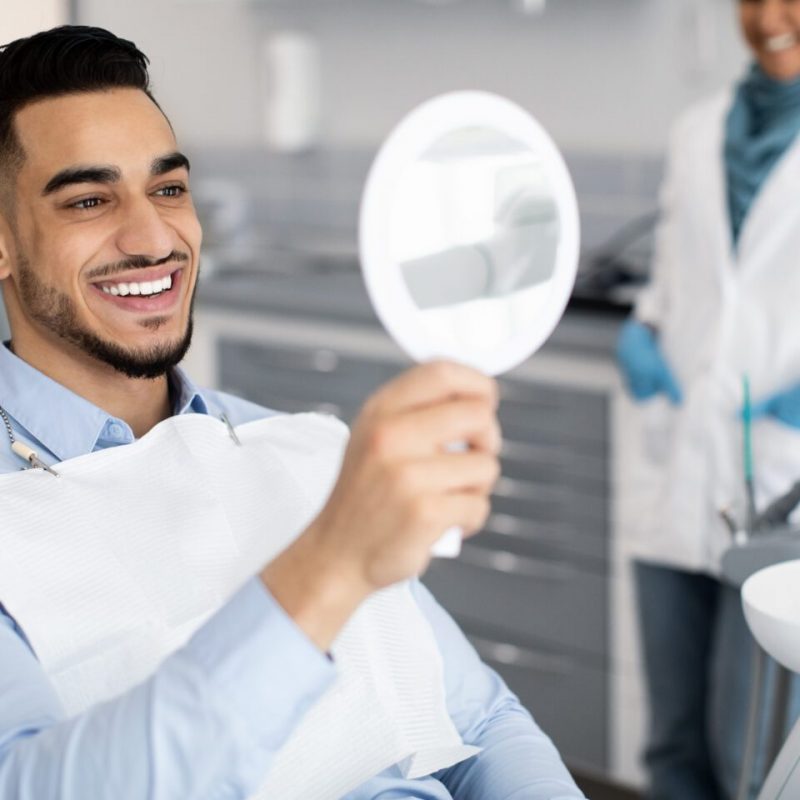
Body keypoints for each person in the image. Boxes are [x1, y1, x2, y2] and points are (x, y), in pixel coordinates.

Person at [0, 24, 585, 800]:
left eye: (168, 188)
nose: (153, 238)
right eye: (88, 200)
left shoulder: (298, 448)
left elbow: (480, 726)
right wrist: (329, 564)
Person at [617, 1, 800, 798]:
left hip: (781, 484)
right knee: (670, 747)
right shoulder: (698, 130)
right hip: (679, 460)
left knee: (748, 757)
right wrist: (642, 331)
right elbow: (671, 284)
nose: (770, 16)